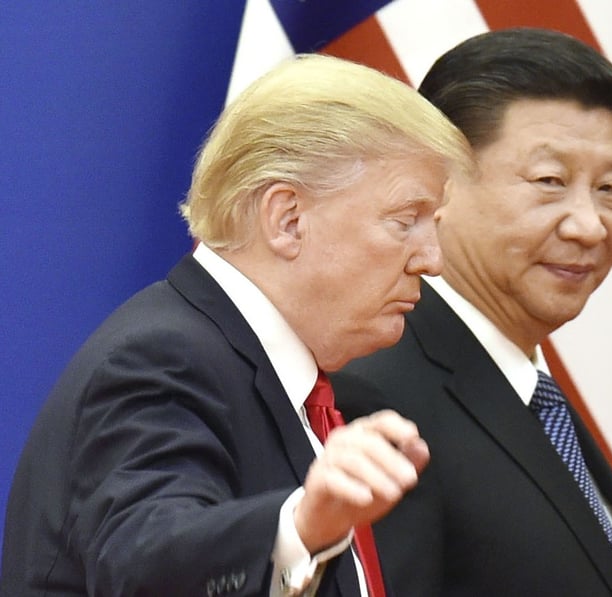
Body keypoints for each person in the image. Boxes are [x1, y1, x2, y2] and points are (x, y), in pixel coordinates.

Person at [0, 53, 471, 597]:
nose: (433, 260)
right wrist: (299, 525)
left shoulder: (320, 393)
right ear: (288, 219)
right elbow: (141, 558)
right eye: (405, 220)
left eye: (432, 226)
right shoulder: (163, 356)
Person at [332, 28, 612, 597]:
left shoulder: (530, 390)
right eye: (549, 182)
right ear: (439, 184)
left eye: (610, 189)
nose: (589, 225)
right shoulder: (375, 394)